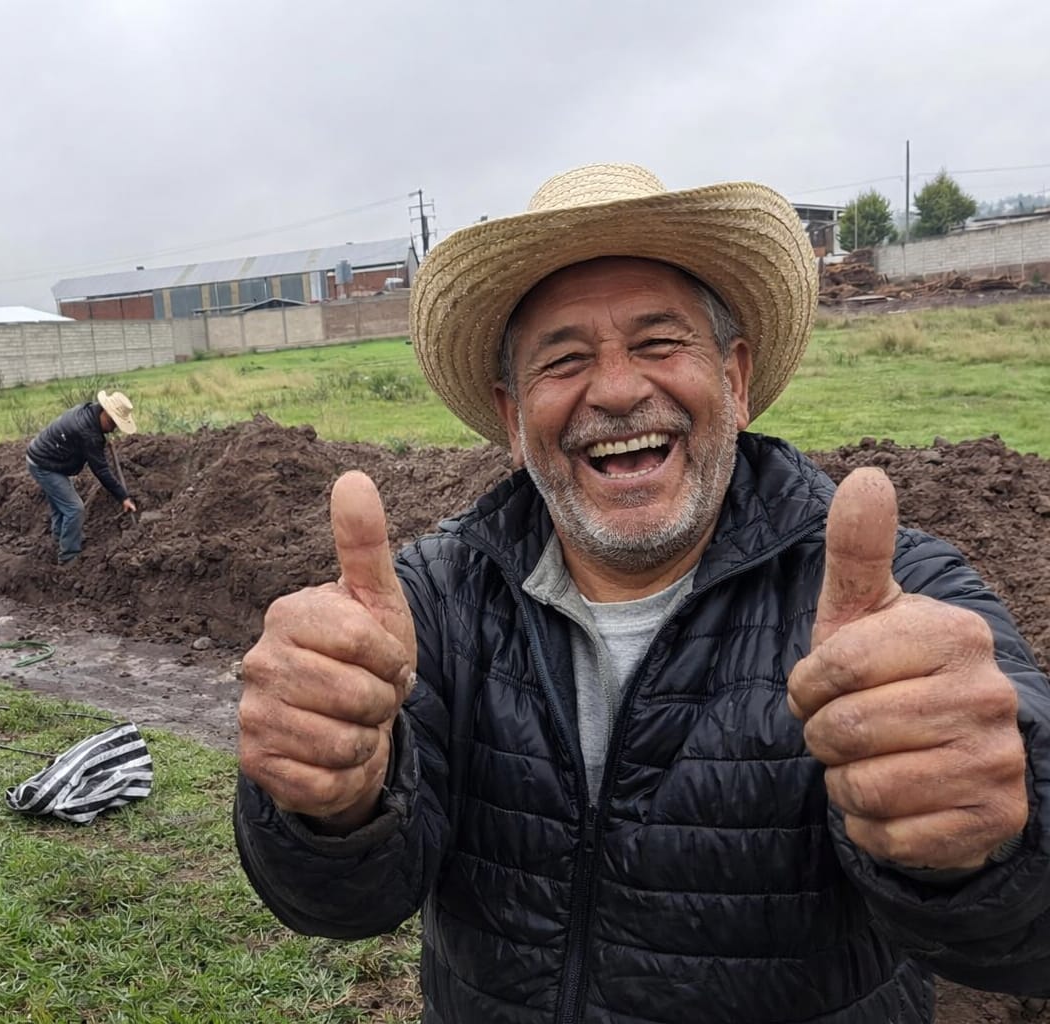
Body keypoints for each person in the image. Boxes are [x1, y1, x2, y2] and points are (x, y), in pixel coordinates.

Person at [233, 164, 1050, 1022]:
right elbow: (341, 904)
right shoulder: (434, 605)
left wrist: (987, 842)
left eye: (660, 344)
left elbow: (1026, 938)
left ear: (735, 379)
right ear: (513, 418)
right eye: (565, 359)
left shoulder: (898, 604)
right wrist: (328, 807)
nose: (619, 390)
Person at [26, 389, 138, 564]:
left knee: (61, 505)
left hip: (46, 457)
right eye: (113, 423)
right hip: (43, 464)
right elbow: (101, 470)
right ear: (105, 413)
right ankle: (69, 557)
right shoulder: (89, 434)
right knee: (74, 508)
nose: (114, 429)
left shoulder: (89, 411)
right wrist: (123, 497)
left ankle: (58, 541)